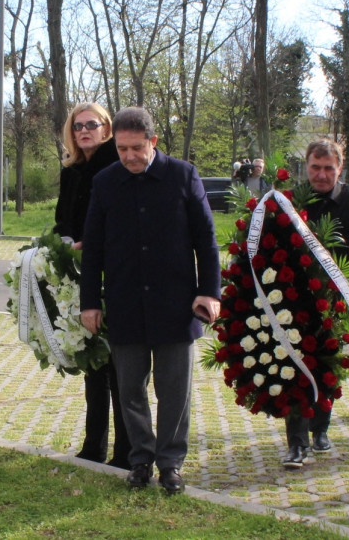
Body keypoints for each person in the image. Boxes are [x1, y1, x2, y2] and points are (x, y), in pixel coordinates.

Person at [80, 107, 221, 494]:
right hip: (125, 303)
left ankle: (171, 462)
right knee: (130, 390)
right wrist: (89, 302)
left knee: (174, 390)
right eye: (122, 149)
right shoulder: (106, 182)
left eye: (136, 148)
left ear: (153, 142)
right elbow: (92, 248)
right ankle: (140, 459)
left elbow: (206, 240)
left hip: (176, 304)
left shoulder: (183, 175)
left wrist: (209, 291)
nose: (129, 157)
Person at [282, 139, 349, 469]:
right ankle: (296, 442)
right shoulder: (292, 199)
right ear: (306, 166)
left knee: (328, 364)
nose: (321, 175)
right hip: (296, 296)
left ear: (340, 168)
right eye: (315, 168)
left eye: (328, 169)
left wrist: (321, 241)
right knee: (295, 366)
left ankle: (321, 427)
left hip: (337, 296)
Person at [53, 101, 131, 470]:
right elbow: (62, 221)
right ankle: (93, 447)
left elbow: (121, 224)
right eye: (78, 125)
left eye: (93, 124)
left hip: (113, 274)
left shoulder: (117, 167)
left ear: (106, 128)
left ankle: (127, 451)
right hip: (78, 276)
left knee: (120, 368)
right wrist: (58, 246)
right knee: (93, 364)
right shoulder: (71, 172)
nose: (85, 131)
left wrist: (91, 245)